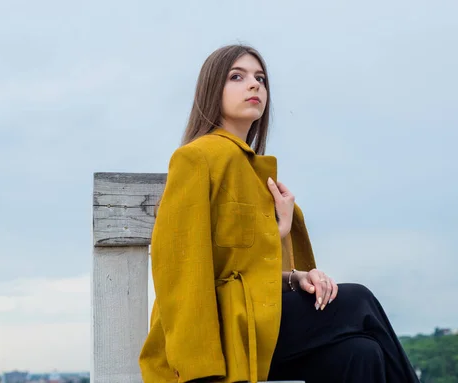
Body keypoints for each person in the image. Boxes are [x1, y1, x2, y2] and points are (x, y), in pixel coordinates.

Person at [139, 44, 420, 383]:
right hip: (223, 336)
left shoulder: (257, 175)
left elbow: (251, 266)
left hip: (261, 331)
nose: (254, 85)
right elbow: (180, 272)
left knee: (362, 353)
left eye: (260, 78)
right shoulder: (197, 158)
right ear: (212, 88)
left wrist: (295, 276)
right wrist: (196, 368)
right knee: (359, 300)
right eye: (237, 77)